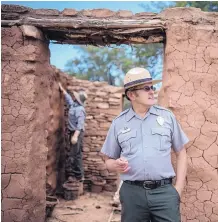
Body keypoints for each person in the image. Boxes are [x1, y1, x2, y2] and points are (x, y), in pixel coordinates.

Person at [100, 67, 189, 222]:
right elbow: (107, 161)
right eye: (146, 88)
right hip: (132, 194)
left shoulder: (167, 117)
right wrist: (115, 164)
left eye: (152, 87)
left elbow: (181, 152)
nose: (151, 91)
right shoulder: (119, 123)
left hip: (164, 194)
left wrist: (178, 189)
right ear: (132, 95)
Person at [59, 82, 88, 182]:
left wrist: (75, 136)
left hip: (77, 133)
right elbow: (69, 100)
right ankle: (79, 176)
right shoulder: (74, 105)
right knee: (77, 154)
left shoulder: (80, 110)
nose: (74, 97)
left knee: (74, 155)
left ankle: (76, 176)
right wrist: (62, 90)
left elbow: (80, 125)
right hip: (73, 132)